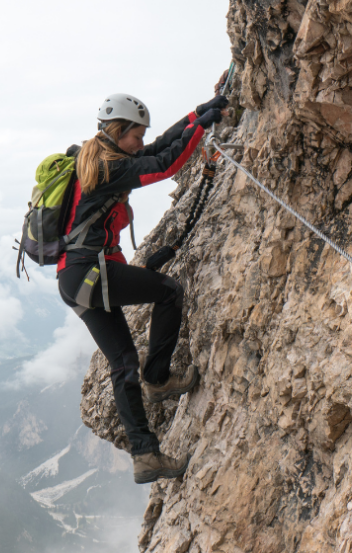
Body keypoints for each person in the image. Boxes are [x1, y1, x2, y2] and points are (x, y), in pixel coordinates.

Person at [57, 91, 229, 483]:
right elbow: (165, 165)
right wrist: (201, 129)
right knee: (168, 291)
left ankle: (146, 456)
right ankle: (158, 379)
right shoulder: (107, 167)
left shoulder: (101, 157)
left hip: (75, 280)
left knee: (122, 364)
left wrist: (195, 115)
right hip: (90, 273)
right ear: (118, 132)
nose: (140, 140)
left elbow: (155, 148)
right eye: (135, 134)